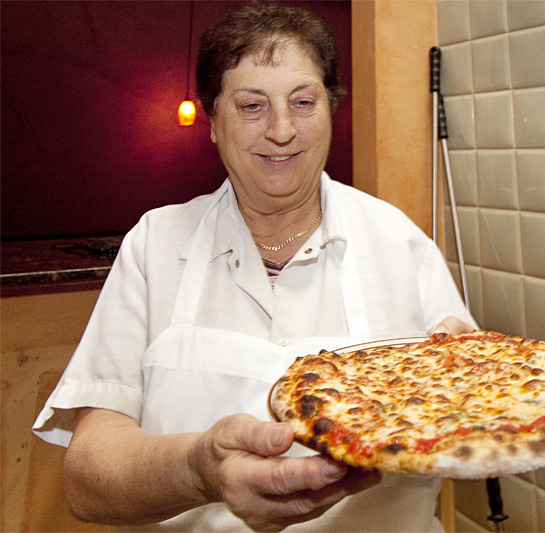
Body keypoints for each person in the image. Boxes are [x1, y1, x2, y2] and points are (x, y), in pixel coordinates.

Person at [32, 1, 476, 531]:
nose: (282, 130)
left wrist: (464, 402)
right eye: (251, 106)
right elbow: (87, 482)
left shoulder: (400, 243)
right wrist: (199, 471)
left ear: (331, 109)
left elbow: (472, 438)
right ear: (214, 120)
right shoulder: (154, 245)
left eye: (304, 102)